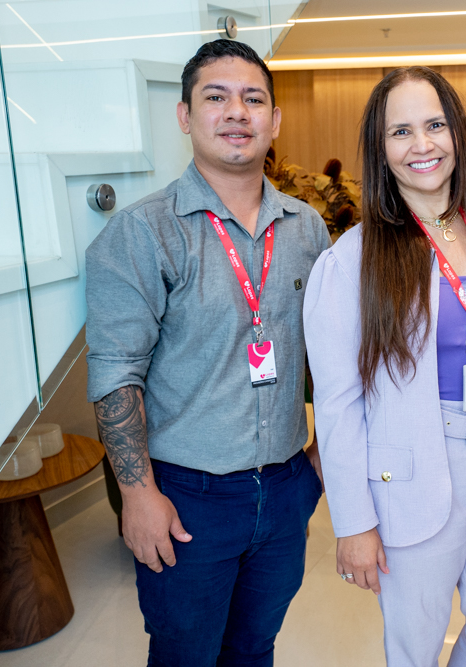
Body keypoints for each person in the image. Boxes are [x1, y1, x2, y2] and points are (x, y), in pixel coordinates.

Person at [85, 39, 329, 666]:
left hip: (283, 489)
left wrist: (317, 467)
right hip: (186, 499)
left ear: (275, 120)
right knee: (185, 653)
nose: (236, 112)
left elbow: (335, 357)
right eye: (215, 98)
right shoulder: (143, 231)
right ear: (185, 116)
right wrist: (137, 494)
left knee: (254, 648)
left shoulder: (307, 228)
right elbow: (116, 374)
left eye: (253, 99)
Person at [303, 66, 466, 666]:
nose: (422, 145)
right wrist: (353, 523)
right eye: (401, 132)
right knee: (414, 647)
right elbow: (337, 406)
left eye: (435, 125)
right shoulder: (351, 262)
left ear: (458, 133)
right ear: (380, 148)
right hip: (414, 463)